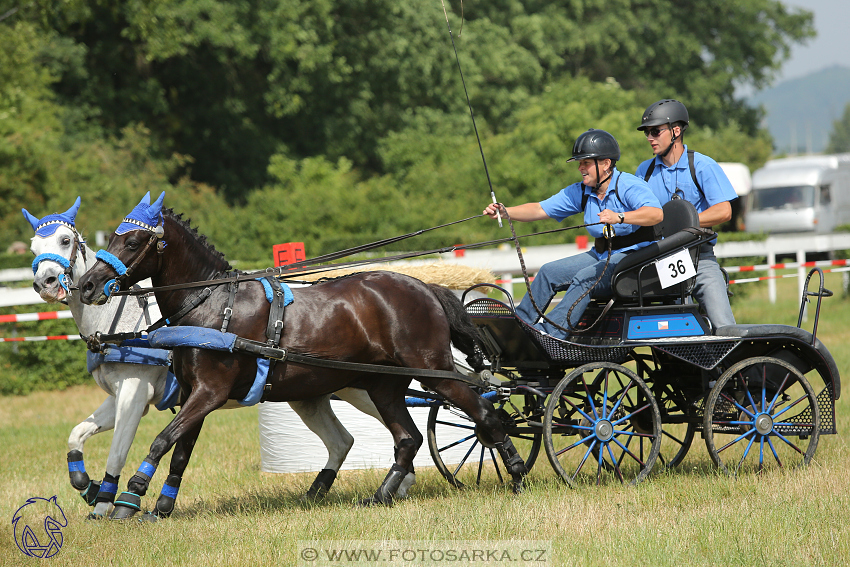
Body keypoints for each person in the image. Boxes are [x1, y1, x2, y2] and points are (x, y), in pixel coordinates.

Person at [484, 129, 663, 339]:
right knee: (548, 272)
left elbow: (656, 214)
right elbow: (540, 209)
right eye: (579, 163)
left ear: (605, 164)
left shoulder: (629, 185)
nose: (580, 168)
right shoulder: (582, 191)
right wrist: (506, 212)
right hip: (601, 255)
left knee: (585, 278)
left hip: (635, 260)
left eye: (585, 163)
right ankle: (518, 327)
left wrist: (620, 217)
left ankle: (551, 335)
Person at [635, 99, 738, 329]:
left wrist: (684, 223)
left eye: (655, 131)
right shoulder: (644, 171)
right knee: (670, 328)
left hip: (700, 258)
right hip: (661, 260)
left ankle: (733, 359)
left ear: (676, 131)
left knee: (724, 326)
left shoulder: (702, 165)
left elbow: (724, 211)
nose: (649, 137)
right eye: (646, 133)